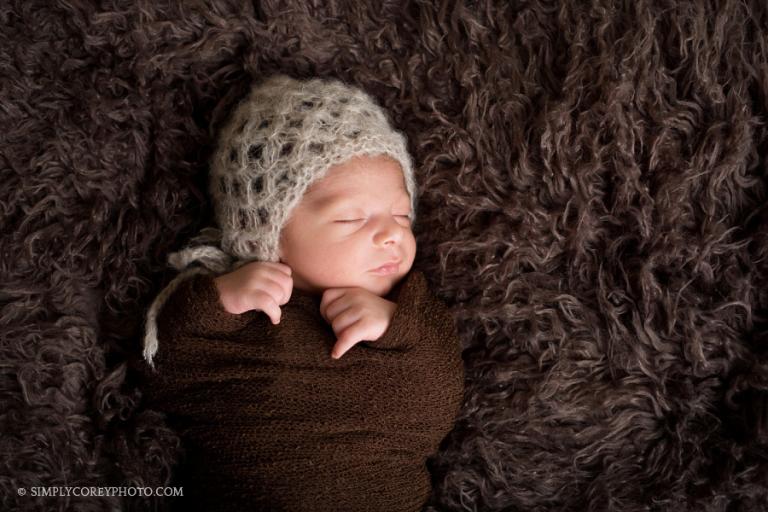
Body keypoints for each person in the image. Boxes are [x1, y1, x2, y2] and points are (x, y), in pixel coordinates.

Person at [139, 74, 465, 511]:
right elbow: (163, 376)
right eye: (352, 219)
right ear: (268, 234)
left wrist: (396, 327)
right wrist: (216, 303)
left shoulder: (412, 315)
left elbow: (440, 405)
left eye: (402, 215)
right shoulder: (239, 313)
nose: (391, 234)